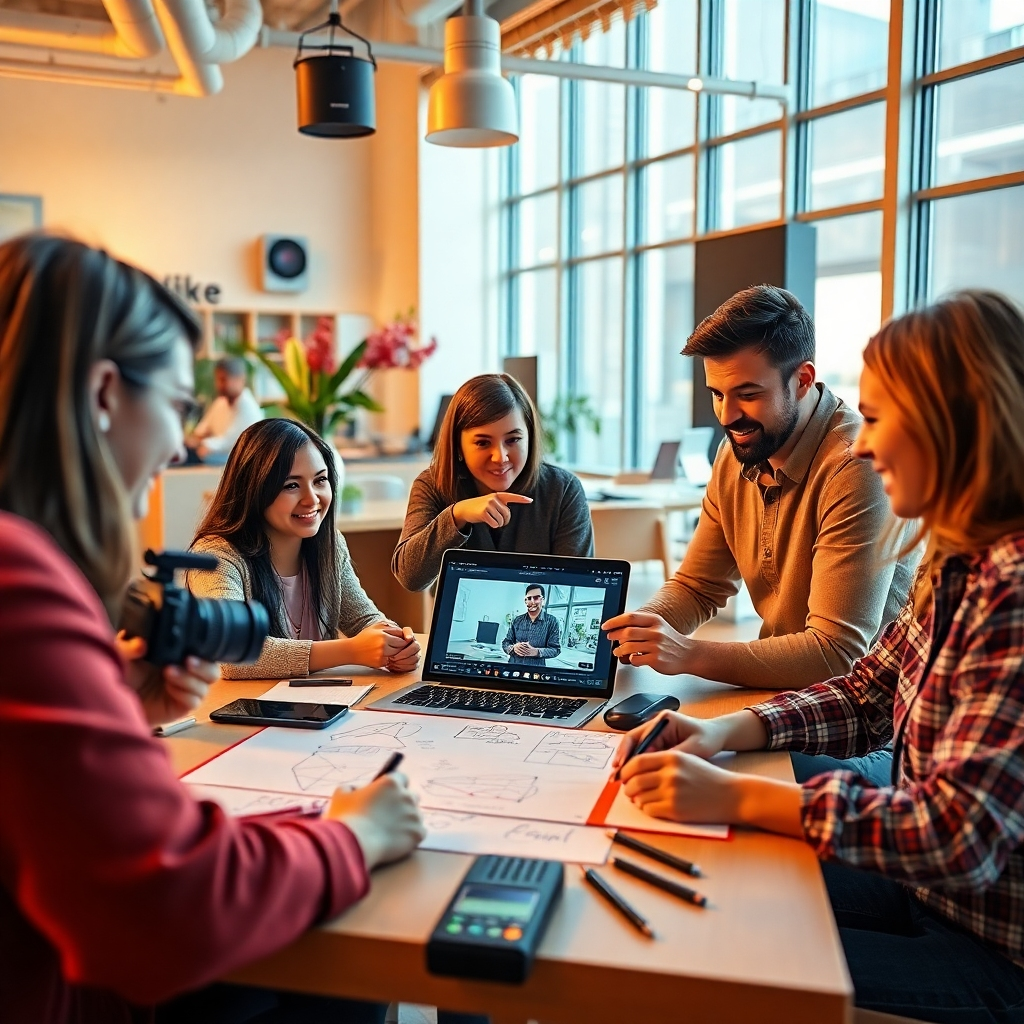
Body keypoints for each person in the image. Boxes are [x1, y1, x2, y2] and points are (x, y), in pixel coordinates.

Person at [0, 234, 425, 1024]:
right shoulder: (20, 579)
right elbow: (162, 907)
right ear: (103, 394)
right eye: (178, 406)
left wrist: (124, 710)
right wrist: (354, 838)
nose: (179, 443)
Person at [612, 291, 1024, 1023]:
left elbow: (957, 835)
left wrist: (738, 794)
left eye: (880, 419)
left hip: (993, 941)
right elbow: (867, 693)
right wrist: (720, 731)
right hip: (927, 888)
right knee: (713, 888)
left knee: (716, 958)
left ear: (952, 424)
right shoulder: (959, 558)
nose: (864, 444)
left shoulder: (1012, 591)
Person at [188, 418, 421, 679]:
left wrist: (394, 644)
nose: (312, 499)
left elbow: (363, 620)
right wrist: (351, 651)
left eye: (320, 480)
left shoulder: (330, 544)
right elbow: (232, 651)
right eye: (291, 485)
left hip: (317, 703)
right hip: (237, 704)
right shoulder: (214, 556)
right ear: (254, 490)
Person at [393, 373, 594, 592]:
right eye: (482, 443)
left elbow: (576, 587)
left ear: (530, 436)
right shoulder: (433, 484)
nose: (500, 457)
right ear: (458, 445)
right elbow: (410, 577)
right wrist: (457, 515)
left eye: (513, 440)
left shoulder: (563, 489)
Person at [184, 354, 263, 464]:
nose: (219, 384)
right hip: (216, 454)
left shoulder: (248, 407)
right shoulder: (220, 403)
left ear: (239, 379)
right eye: (218, 380)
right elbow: (202, 432)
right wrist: (193, 441)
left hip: (237, 461)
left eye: (223, 379)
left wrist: (205, 445)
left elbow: (230, 442)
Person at [502, 584, 561, 666]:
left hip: (536, 670)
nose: (532, 601)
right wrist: (513, 648)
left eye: (536, 598)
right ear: (525, 601)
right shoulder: (517, 620)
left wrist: (536, 652)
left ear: (543, 600)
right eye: (529, 598)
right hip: (514, 667)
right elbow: (506, 643)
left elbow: (555, 649)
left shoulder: (552, 621)